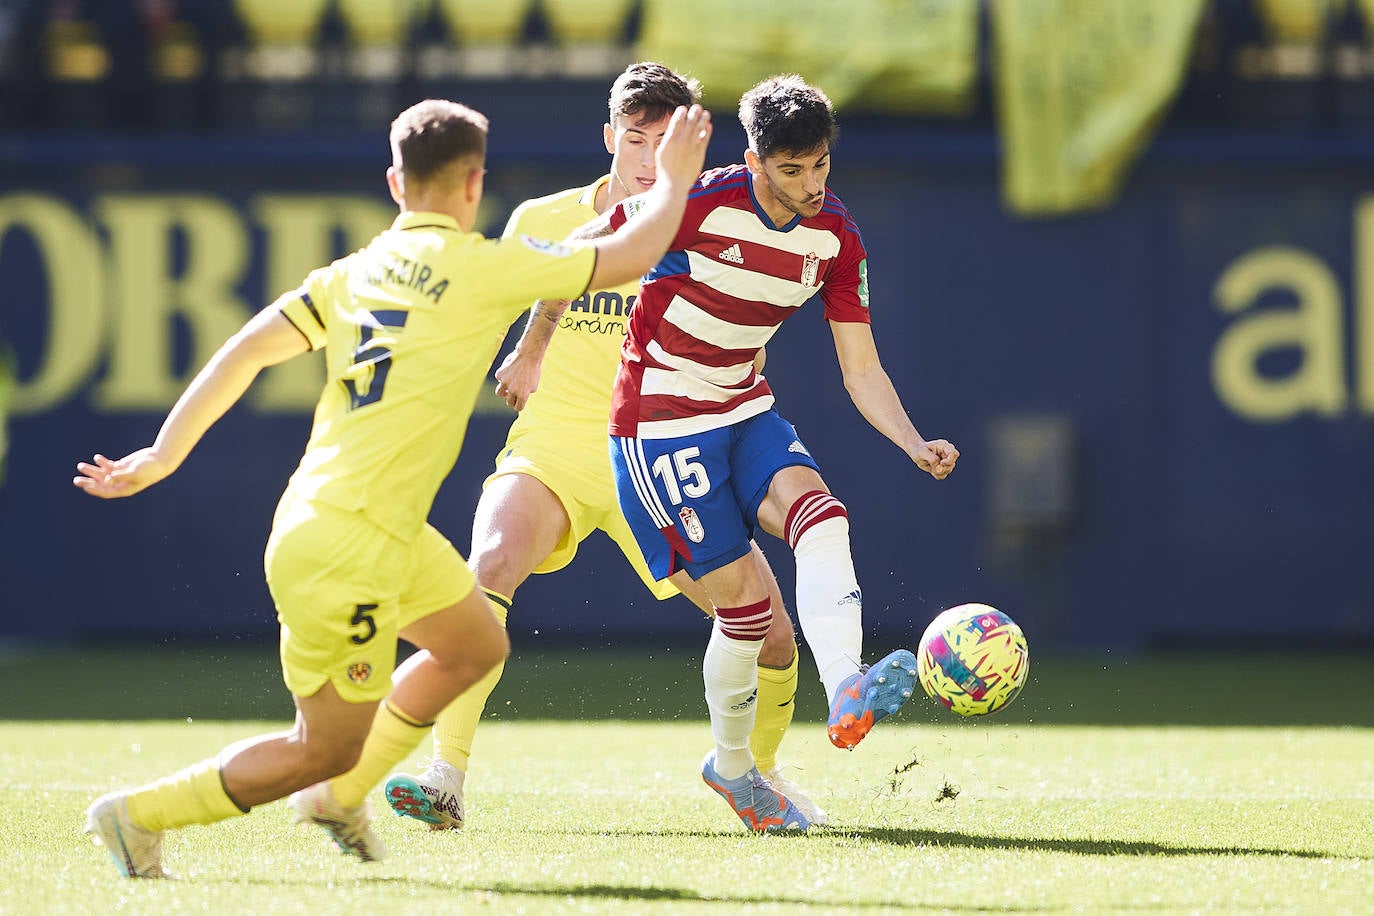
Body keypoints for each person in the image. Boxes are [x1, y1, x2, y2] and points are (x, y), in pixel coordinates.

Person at [73, 96, 713, 878]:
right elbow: (630, 252)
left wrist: (163, 454)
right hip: (352, 543)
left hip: (348, 522)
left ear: (393, 183)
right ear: (474, 184)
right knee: (321, 747)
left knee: (476, 645)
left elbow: (244, 349)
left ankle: (343, 797)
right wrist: (676, 178)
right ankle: (140, 815)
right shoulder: (484, 267)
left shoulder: (352, 273)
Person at [381, 62, 826, 835]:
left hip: (659, 456)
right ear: (609, 138)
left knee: (771, 630)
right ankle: (445, 775)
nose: (650, 159)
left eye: (666, 142)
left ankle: (761, 774)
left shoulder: (718, 220)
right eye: (635, 140)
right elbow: (485, 314)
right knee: (488, 566)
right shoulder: (543, 217)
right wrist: (510, 354)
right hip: (554, 447)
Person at [594, 74, 960, 832]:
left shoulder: (836, 237)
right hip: (660, 420)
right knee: (750, 613)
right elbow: (586, 251)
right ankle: (732, 769)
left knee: (823, 517)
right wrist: (528, 333)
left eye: (821, 164)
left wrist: (912, 441)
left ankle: (847, 686)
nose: (811, 185)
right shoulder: (698, 203)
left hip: (742, 405)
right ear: (754, 160)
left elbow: (861, 367)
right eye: (791, 170)